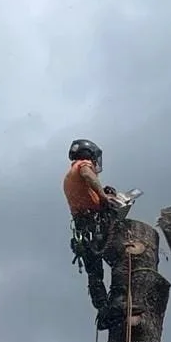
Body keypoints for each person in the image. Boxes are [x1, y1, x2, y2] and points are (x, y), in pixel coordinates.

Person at [63, 139, 125, 328]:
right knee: (120, 257)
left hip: (83, 228)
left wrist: (101, 194)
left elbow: (86, 188)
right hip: (94, 225)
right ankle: (120, 299)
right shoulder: (83, 166)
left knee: (94, 272)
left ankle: (103, 309)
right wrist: (105, 198)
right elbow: (88, 176)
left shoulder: (69, 175)